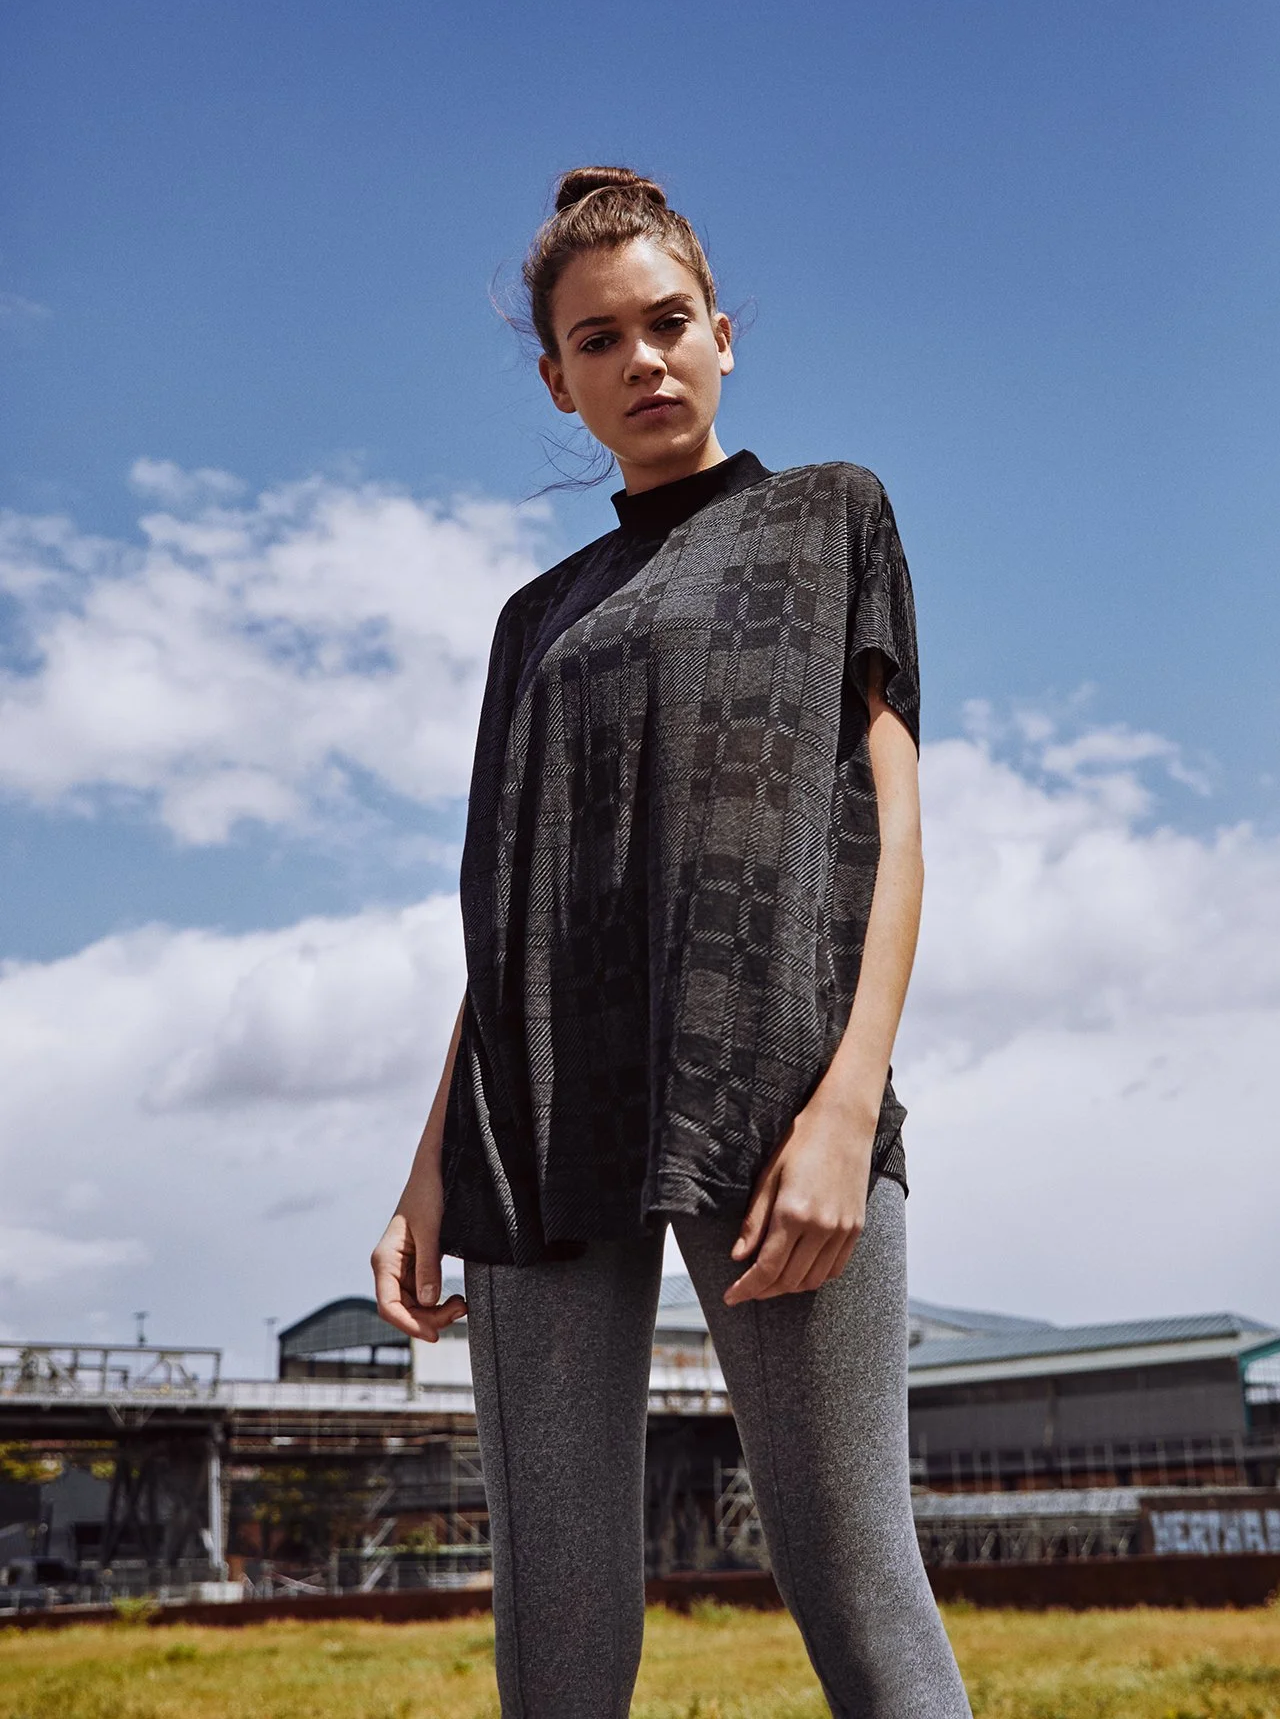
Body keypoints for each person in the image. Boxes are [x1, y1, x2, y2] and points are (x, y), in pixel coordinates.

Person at [372, 166, 972, 1718]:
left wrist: (849, 1109)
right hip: (542, 1122)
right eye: (598, 342)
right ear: (559, 382)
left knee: (857, 1580)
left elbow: (899, 836)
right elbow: (512, 907)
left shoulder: (831, 514)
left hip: (776, 1100)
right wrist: (432, 1163)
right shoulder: (535, 619)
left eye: (667, 324)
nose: (641, 361)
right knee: (558, 1617)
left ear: (721, 336)